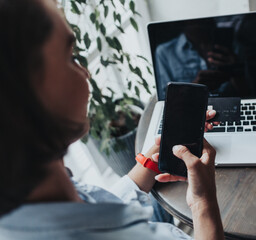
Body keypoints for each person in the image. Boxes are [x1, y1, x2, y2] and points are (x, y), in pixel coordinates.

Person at [0, 0, 224, 239]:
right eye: (71, 57)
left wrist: (156, 155)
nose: (85, 72)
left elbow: (106, 202)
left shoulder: (40, 188)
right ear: (24, 93)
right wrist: (203, 202)